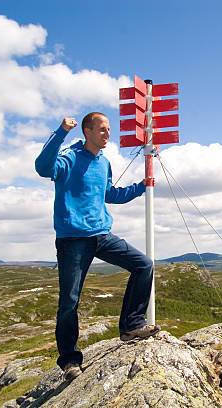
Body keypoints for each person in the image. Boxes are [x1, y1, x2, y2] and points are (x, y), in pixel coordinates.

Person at [35, 113, 160, 381]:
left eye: (108, 129)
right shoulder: (69, 157)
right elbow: (43, 168)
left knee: (144, 265)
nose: (107, 134)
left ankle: (131, 326)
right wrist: (60, 132)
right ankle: (69, 360)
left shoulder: (104, 162)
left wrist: (142, 186)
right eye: (102, 129)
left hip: (101, 235)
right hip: (73, 240)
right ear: (87, 131)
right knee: (69, 301)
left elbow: (110, 195)